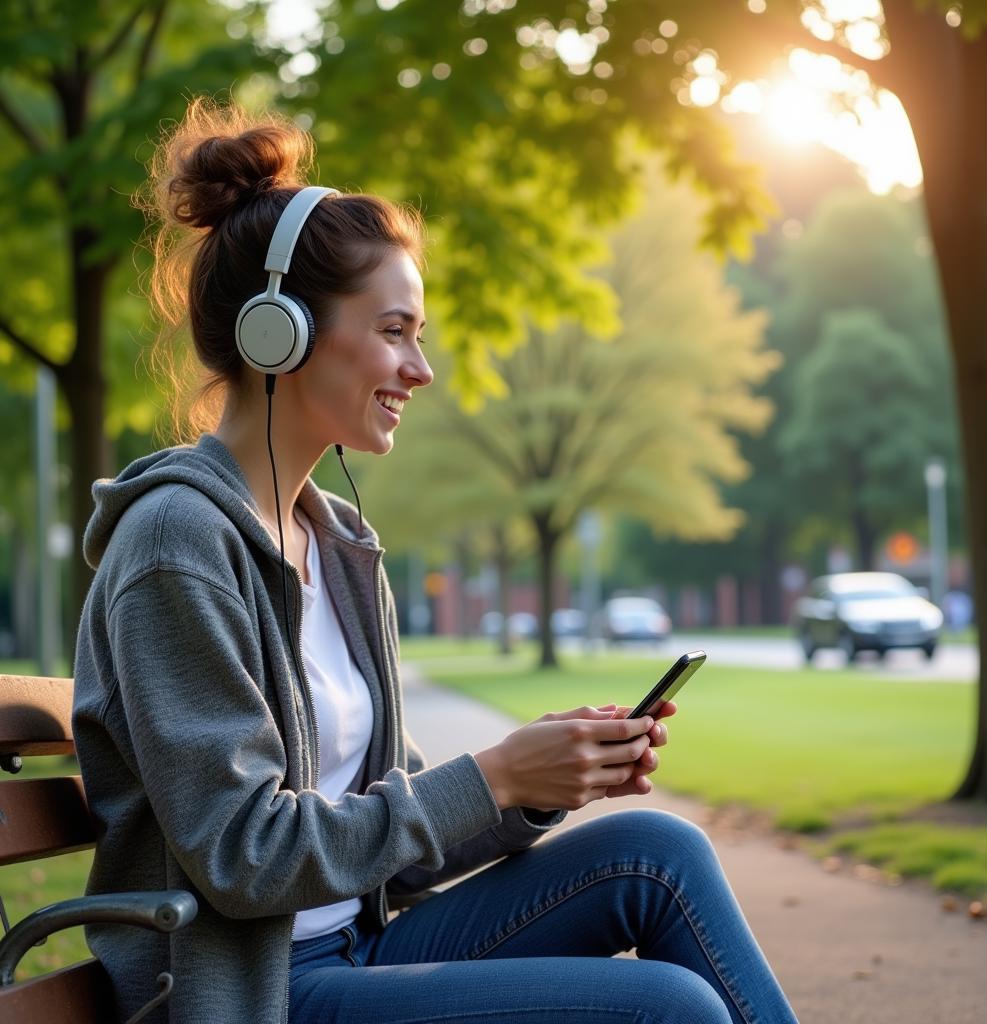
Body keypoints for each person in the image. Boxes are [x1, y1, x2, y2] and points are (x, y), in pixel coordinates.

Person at [72, 98, 799, 1024]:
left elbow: (396, 842)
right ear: (279, 330)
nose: (422, 369)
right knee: (668, 1009)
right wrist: (493, 774)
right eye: (394, 330)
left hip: (354, 949)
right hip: (258, 991)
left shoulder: (333, 544)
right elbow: (246, 856)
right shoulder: (178, 544)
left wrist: (536, 785)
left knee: (658, 854)